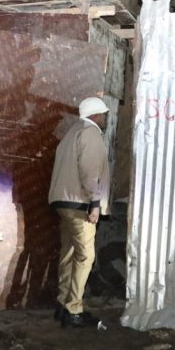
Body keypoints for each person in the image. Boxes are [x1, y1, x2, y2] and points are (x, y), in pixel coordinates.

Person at [49, 96, 111, 328]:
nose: (105, 118)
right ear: (95, 115)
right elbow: (90, 169)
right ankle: (74, 309)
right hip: (80, 204)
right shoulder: (90, 132)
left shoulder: (71, 133)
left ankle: (62, 303)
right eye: (103, 114)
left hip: (63, 203)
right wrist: (95, 202)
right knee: (86, 256)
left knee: (69, 254)